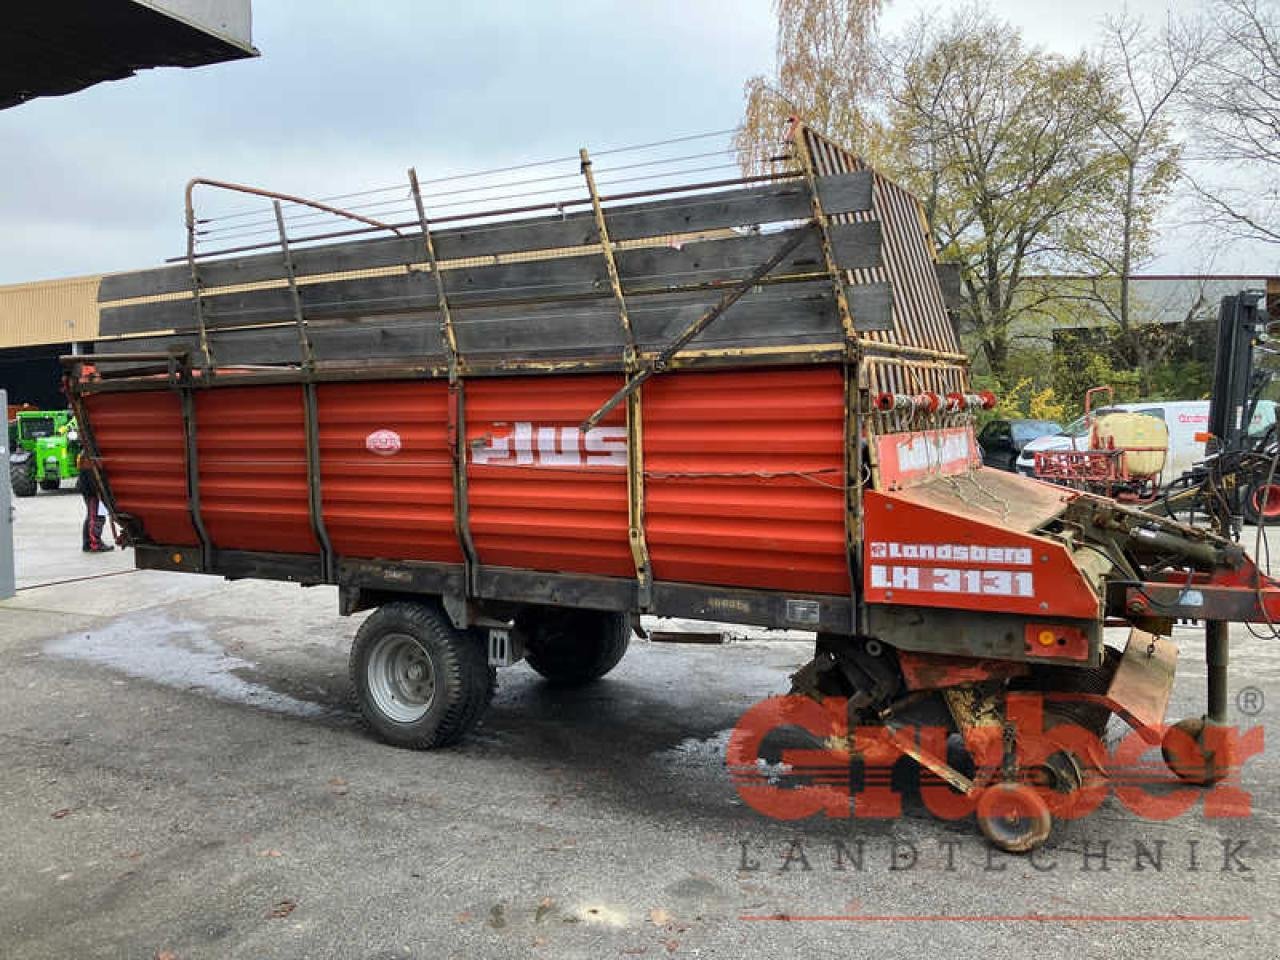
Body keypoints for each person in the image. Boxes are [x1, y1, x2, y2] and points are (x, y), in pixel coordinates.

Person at [77, 453, 113, 553]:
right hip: (93, 491)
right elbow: (91, 475)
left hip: (92, 490)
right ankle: (95, 544)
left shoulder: (87, 453)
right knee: (96, 516)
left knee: (92, 515)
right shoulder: (90, 455)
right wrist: (98, 491)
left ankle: (88, 543)